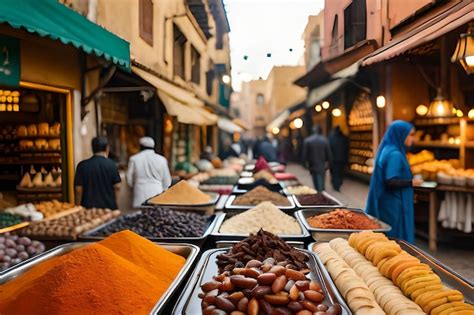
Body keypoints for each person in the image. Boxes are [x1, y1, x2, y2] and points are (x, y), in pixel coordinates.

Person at [366, 120, 423, 243]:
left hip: (387, 203)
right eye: (410, 135)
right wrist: (412, 182)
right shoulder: (395, 154)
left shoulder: (388, 148)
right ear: (400, 134)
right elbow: (390, 181)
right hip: (394, 206)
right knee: (396, 240)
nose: (412, 138)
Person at [74, 137, 121, 209]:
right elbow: (117, 187)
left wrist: (78, 207)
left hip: (88, 210)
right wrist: (117, 206)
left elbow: (78, 189)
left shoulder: (82, 166)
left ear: (92, 149)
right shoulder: (112, 165)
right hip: (109, 209)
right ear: (107, 148)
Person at [127, 137, 172, 208]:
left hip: (139, 192)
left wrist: (135, 186)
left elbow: (129, 179)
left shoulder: (134, 159)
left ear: (140, 146)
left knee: (139, 216)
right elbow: (167, 181)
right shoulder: (162, 159)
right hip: (157, 193)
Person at [302, 125, 332, 192]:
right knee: (321, 178)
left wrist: (304, 164)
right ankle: (321, 192)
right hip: (321, 163)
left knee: (315, 178)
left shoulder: (308, 140)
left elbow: (304, 154)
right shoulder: (324, 140)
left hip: (312, 163)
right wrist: (329, 163)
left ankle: (318, 192)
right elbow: (329, 153)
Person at [329, 126, 349, 191]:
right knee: (340, 173)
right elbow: (347, 150)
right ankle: (337, 184)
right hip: (342, 159)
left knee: (335, 173)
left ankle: (336, 185)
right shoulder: (344, 138)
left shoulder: (331, 138)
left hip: (334, 159)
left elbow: (330, 149)